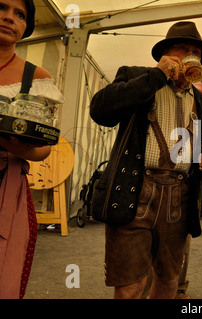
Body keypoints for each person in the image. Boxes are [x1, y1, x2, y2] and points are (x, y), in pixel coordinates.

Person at [89, 21, 202, 299]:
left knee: (169, 280)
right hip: (135, 192)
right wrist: (156, 76)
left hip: (179, 197)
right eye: (183, 49)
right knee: (130, 287)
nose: (190, 56)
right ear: (166, 52)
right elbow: (101, 111)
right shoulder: (137, 77)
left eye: (195, 52)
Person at [0, 0, 63, 299]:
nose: (9, 17)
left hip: (5, 183)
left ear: (26, 26)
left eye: (20, 14)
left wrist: (10, 144)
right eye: (1, 7)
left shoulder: (35, 77)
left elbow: (43, 150)